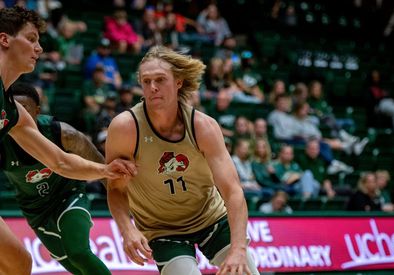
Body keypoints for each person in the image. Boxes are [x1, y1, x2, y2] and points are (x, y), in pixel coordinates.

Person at [0, 6, 135, 275]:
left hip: (58, 199)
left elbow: (59, 161)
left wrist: (104, 170)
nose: (38, 48)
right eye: (30, 39)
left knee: (18, 264)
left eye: (38, 41)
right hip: (36, 209)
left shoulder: (14, 112)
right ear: (4, 39)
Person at [106, 46, 259, 275]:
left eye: (160, 79)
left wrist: (238, 249)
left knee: (245, 271)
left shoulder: (203, 127)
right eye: (146, 81)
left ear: (178, 82)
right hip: (161, 229)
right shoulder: (125, 128)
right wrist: (127, 229)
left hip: (211, 219)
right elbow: (115, 188)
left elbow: (233, 191)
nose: (153, 87)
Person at [1, 83, 112, 274]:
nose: (19, 117)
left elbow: (96, 159)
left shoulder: (62, 133)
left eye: (25, 110)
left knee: (78, 252)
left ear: (37, 111)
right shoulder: (3, 143)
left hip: (68, 196)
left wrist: (114, 190)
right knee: (73, 266)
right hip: (36, 210)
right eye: (15, 112)